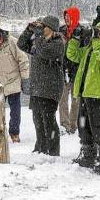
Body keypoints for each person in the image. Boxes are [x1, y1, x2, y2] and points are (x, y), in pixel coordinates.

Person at [67, 20, 100, 175]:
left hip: (99, 94)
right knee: (84, 126)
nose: (97, 34)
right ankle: (88, 155)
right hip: (85, 93)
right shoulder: (90, 49)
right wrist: (75, 39)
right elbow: (72, 55)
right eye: (97, 31)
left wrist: (95, 40)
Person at [17, 15, 64, 156]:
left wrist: (37, 34)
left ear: (51, 29)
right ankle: (41, 147)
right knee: (37, 119)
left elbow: (44, 51)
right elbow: (21, 44)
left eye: (44, 27)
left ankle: (53, 150)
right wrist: (29, 30)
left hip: (50, 88)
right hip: (37, 87)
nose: (41, 29)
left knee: (48, 120)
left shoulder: (57, 43)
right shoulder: (39, 42)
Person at [0, 28, 30, 143]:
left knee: (15, 110)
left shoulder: (12, 41)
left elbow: (23, 60)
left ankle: (14, 133)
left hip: (13, 81)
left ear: (0, 35)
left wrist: (25, 79)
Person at [59, 6, 81, 134]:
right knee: (62, 99)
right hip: (63, 69)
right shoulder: (60, 31)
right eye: (65, 17)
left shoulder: (81, 31)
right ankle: (64, 124)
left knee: (75, 99)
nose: (67, 19)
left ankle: (74, 124)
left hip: (76, 70)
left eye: (69, 17)